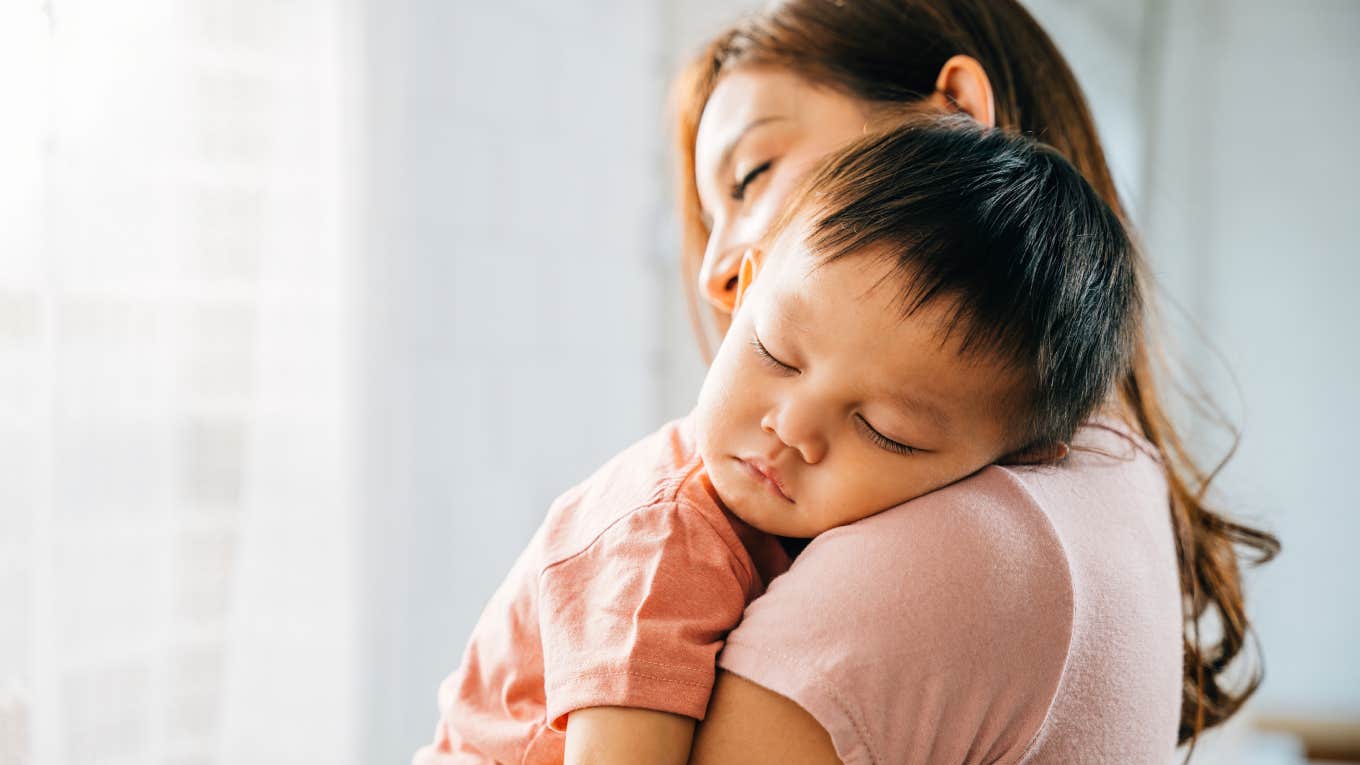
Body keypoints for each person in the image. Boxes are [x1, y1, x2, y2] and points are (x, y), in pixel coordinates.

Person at [413, 117, 1142, 764]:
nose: (791, 426)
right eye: (776, 352)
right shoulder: (659, 542)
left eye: (886, 431)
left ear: (1012, 461)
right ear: (748, 286)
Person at [669, 2, 1279, 764]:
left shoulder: (949, 551)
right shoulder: (1108, 473)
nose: (711, 270)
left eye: (752, 174)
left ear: (954, 114)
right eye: (708, 212)